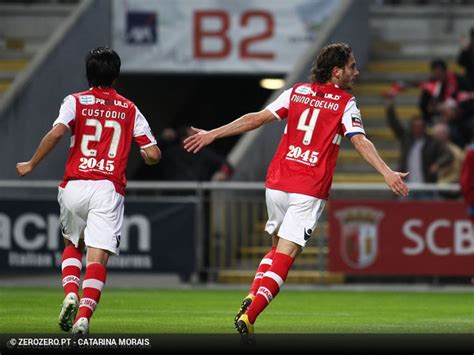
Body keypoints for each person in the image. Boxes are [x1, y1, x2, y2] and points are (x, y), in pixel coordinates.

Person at [183, 43, 409, 343]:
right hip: (308, 188)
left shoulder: (296, 92)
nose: (357, 71)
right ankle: (250, 315)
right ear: (336, 71)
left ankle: (252, 297)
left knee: (275, 250)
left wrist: (213, 133)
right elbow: (359, 141)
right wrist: (386, 172)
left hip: (277, 183)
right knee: (287, 257)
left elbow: (257, 118)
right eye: (352, 67)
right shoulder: (345, 103)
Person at [15, 46, 161, 334]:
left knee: (72, 245)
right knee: (98, 257)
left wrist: (32, 163)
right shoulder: (129, 109)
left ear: (88, 74)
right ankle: (83, 317)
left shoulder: (75, 101)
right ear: (116, 76)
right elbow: (153, 153)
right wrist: (147, 156)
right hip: (107, 188)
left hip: (74, 185)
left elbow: (57, 132)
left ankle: (71, 291)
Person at [385, 96, 453, 198]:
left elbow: (448, 155)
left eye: (420, 127)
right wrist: (390, 108)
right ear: (411, 128)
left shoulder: (433, 142)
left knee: (428, 212)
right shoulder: (407, 140)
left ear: (424, 128)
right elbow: (395, 125)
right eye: (415, 127)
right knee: (406, 211)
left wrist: (438, 164)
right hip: (407, 186)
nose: (418, 129)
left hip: (427, 186)